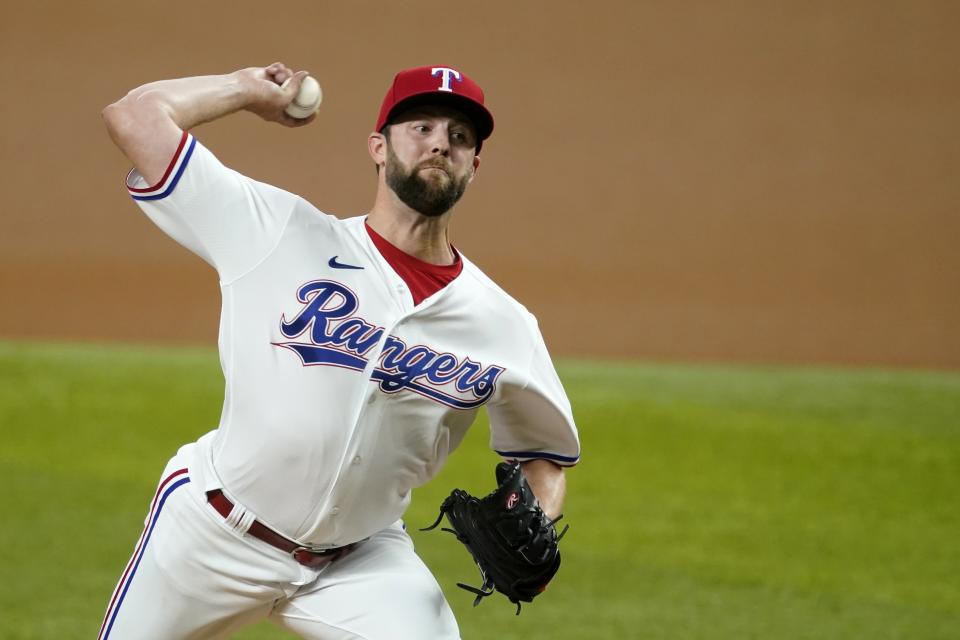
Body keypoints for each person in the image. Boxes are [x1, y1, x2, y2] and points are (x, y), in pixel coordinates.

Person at [98, 62, 580, 640]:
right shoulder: (278, 233)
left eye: (458, 137)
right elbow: (134, 118)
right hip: (211, 533)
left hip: (360, 562)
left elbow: (546, 451)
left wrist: (539, 519)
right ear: (378, 147)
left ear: (474, 165)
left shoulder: (505, 325)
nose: (439, 144)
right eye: (420, 127)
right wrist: (249, 90)